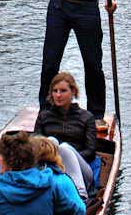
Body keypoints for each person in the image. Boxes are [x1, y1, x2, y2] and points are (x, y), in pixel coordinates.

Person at [34, 73, 97, 201]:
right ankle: (41, 188)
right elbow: (35, 146)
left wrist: (65, 159)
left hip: (81, 170)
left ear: (73, 91)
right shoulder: (44, 117)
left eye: (63, 91)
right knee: (50, 142)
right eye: (55, 91)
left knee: (64, 148)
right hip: (50, 167)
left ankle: (81, 194)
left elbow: (90, 152)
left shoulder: (86, 117)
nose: (58, 95)